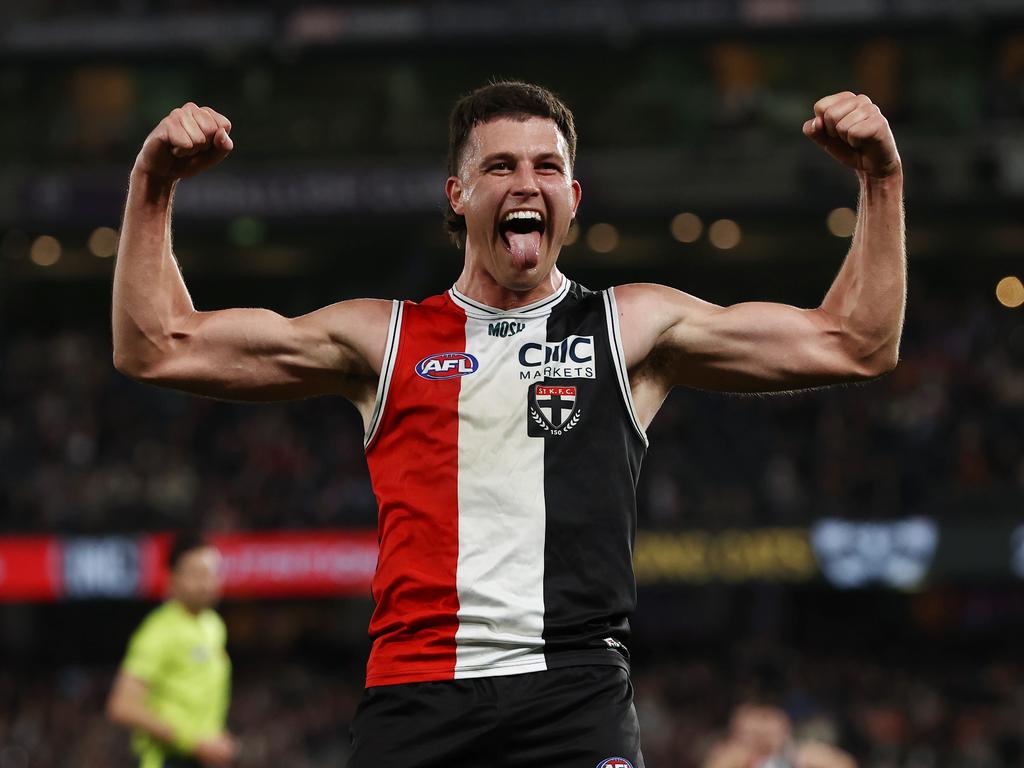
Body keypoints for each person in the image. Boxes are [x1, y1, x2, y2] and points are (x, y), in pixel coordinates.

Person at [111, 81, 904, 767]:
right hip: (417, 694)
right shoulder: (381, 337)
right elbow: (158, 347)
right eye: (499, 166)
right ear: (457, 196)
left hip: (575, 694)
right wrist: (152, 185)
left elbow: (856, 342)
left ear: (573, 199)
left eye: (546, 167)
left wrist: (881, 178)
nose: (526, 182)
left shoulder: (629, 329)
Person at [107, 533, 237, 768]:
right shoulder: (158, 632)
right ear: (172, 577)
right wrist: (193, 741)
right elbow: (122, 705)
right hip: (167, 761)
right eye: (197, 574)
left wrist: (216, 736)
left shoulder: (213, 625)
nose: (207, 582)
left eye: (212, 573)